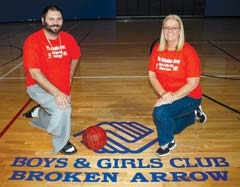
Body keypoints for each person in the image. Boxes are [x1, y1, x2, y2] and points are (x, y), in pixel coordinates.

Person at [22, 5, 81, 155]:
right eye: (51, 19)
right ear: (43, 20)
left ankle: (40, 112)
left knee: (60, 111)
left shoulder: (68, 38)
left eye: (58, 19)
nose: (55, 22)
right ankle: (61, 143)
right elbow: (35, 74)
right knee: (64, 109)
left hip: (60, 86)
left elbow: (75, 57)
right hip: (37, 86)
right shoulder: (33, 41)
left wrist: (69, 76)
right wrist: (57, 94)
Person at [148, 14, 207, 157]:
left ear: (180, 31)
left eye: (174, 27)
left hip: (189, 96)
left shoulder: (188, 52)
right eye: (166, 27)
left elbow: (193, 83)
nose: (170, 31)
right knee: (171, 126)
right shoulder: (157, 49)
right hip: (168, 95)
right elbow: (152, 75)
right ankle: (193, 114)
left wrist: (171, 98)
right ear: (162, 30)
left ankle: (168, 142)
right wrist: (163, 94)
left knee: (160, 113)